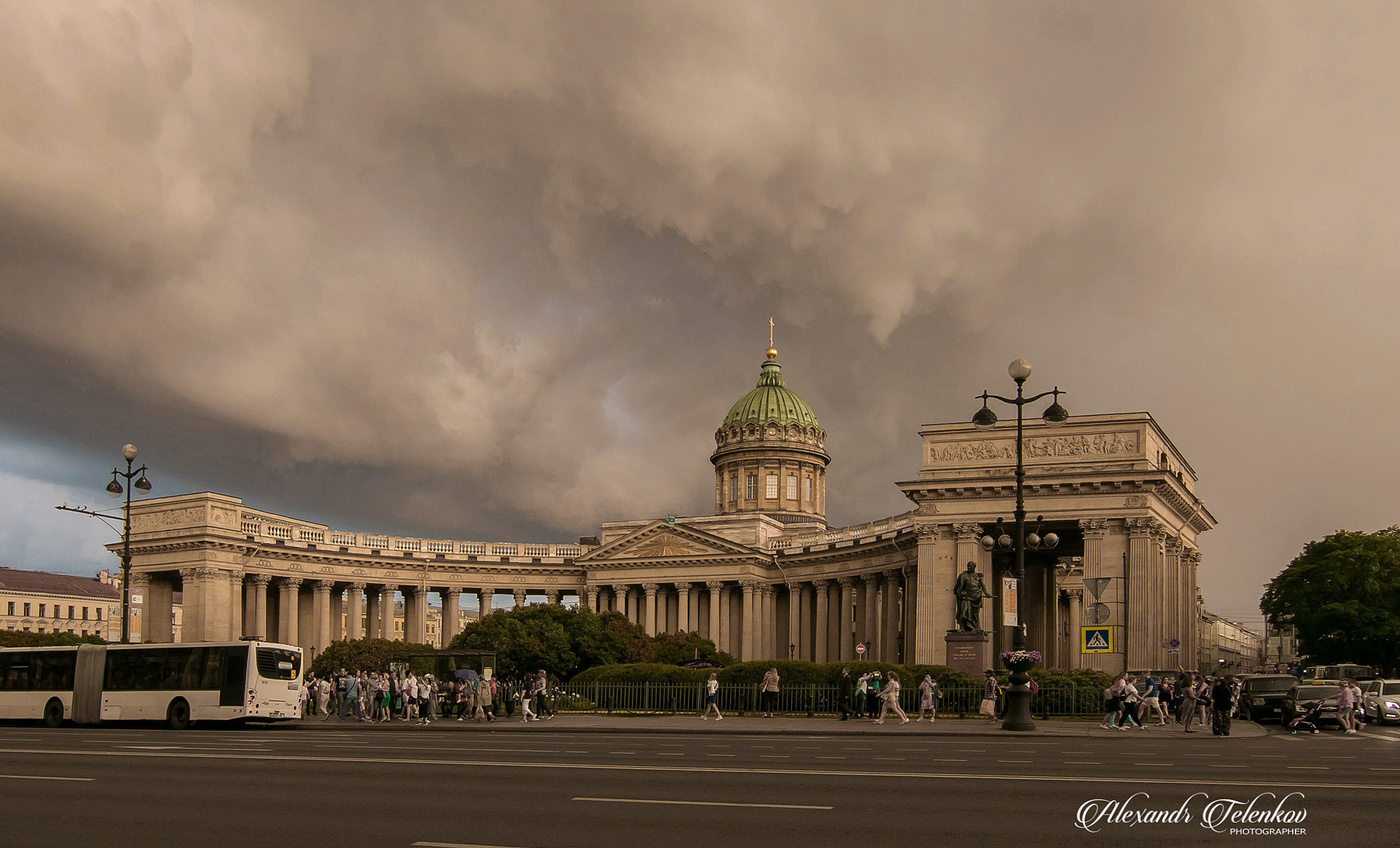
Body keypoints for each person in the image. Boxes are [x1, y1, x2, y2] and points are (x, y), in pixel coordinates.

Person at [954, 562, 993, 632]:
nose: (969, 567)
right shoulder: (963, 575)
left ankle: (972, 627)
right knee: (963, 612)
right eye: (968, 566)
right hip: (965, 597)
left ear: (974, 567)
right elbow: (957, 587)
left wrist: (987, 593)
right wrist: (960, 592)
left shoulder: (977, 576)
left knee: (973, 614)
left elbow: (983, 586)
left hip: (975, 597)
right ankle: (962, 627)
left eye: (970, 566)